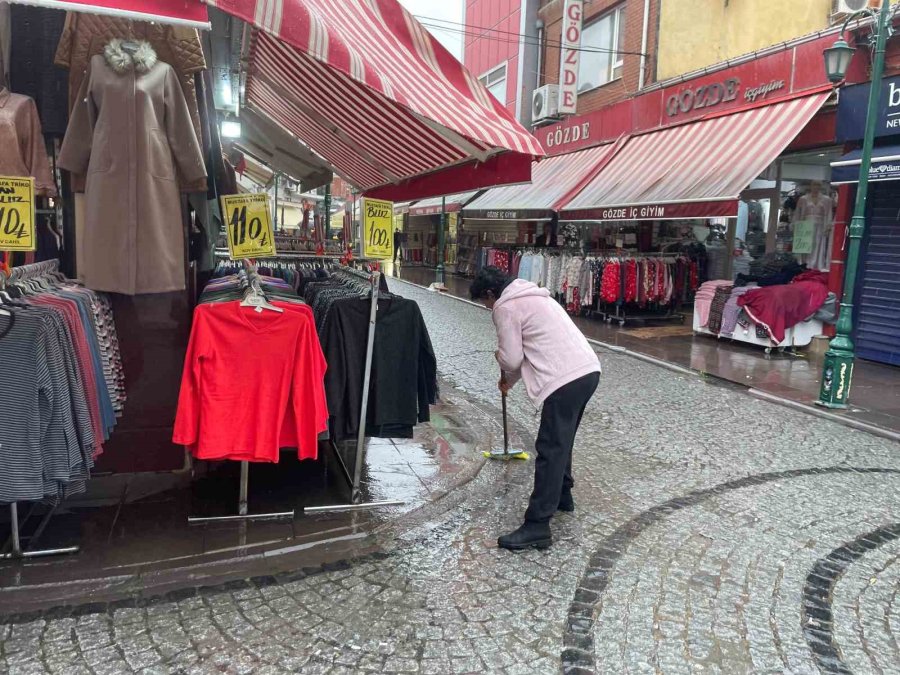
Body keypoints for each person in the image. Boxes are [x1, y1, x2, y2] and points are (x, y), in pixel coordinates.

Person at [470, 266, 600, 551]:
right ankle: (563, 495)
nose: (487, 307)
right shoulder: (535, 296)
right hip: (587, 371)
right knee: (563, 440)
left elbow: (512, 358)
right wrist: (508, 382)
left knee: (550, 448)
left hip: (564, 379)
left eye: (484, 301)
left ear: (491, 293)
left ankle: (537, 525)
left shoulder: (505, 306)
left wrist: (500, 358)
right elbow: (529, 350)